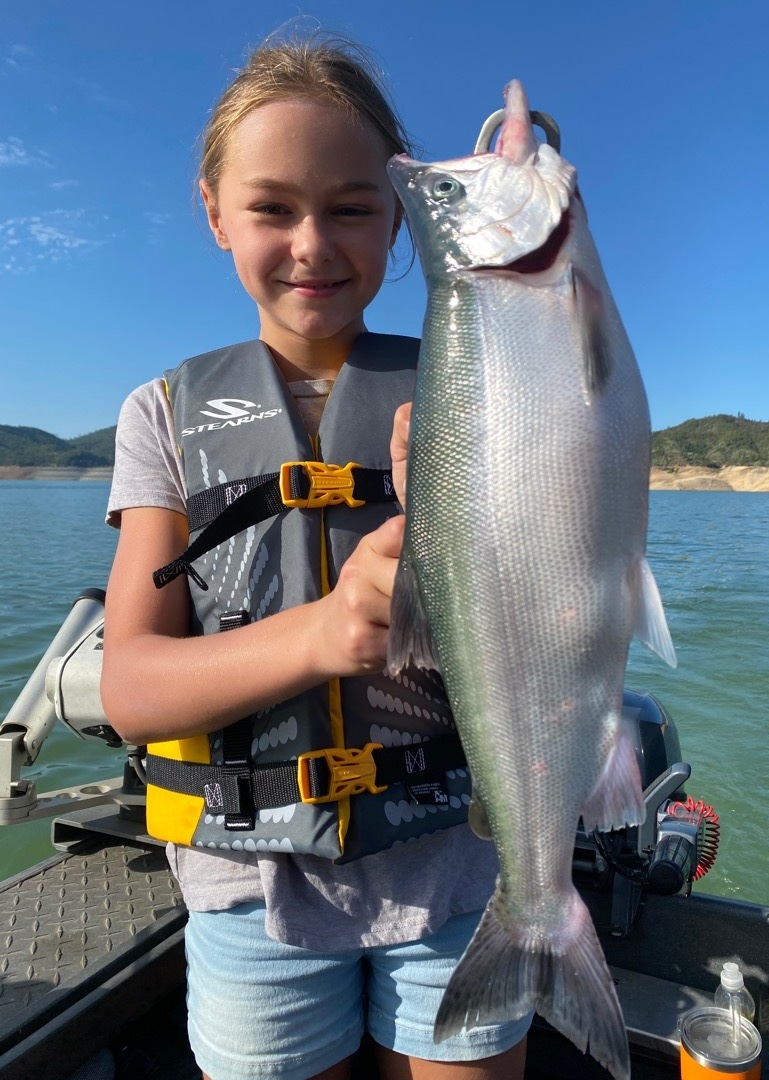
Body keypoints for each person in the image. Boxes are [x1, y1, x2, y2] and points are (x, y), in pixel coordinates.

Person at [101, 28, 533, 1080]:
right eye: (272, 208)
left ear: (395, 219)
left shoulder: (482, 379)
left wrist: (474, 497)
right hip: (247, 893)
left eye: (349, 208)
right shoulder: (161, 416)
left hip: (457, 865)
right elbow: (130, 684)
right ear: (215, 215)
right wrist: (326, 632)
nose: (313, 244)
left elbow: (550, 614)